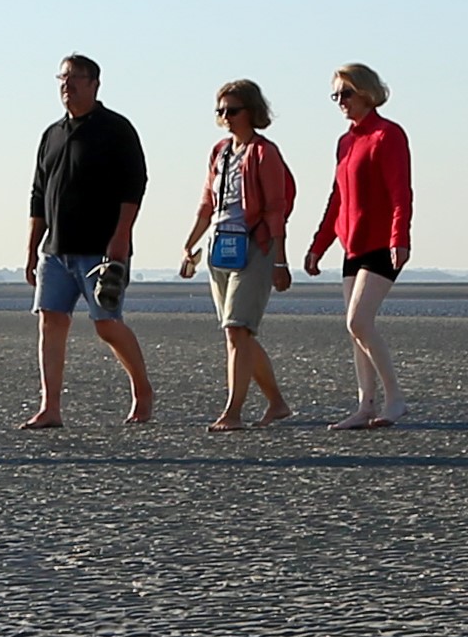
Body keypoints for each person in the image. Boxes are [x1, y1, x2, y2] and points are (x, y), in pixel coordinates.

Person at [22, 54, 152, 429]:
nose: (68, 84)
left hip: (101, 250)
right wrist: (31, 249)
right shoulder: (52, 135)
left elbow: (134, 186)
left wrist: (121, 237)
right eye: (63, 78)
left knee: (106, 324)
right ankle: (50, 407)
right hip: (56, 251)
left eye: (76, 77)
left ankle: (142, 390)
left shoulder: (116, 129)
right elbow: (38, 195)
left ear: (95, 84)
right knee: (51, 321)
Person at [178, 80, 296, 430]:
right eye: (221, 111)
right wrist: (189, 244)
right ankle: (277, 403)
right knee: (237, 332)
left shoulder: (264, 153)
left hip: (255, 247)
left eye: (233, 110)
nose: (226, 117)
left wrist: (280, 260)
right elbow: (207, 203)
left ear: (252, 111)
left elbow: (276, 209)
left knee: (236, 329)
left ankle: (233, 411)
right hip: (221, 248)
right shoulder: (220, 151)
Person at [303, 63, 412, 429]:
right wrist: (318, 246)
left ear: (366, 92)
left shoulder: (387, 135)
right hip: (352, 245)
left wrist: (400, 238)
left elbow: (400, 192)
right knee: (355, 330)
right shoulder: (346, 142)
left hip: (382, 243)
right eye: (335, 95)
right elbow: (337, 198)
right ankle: (366, 405)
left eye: (346, 93)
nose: (340, 101)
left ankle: (395, 399)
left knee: (359, 320)